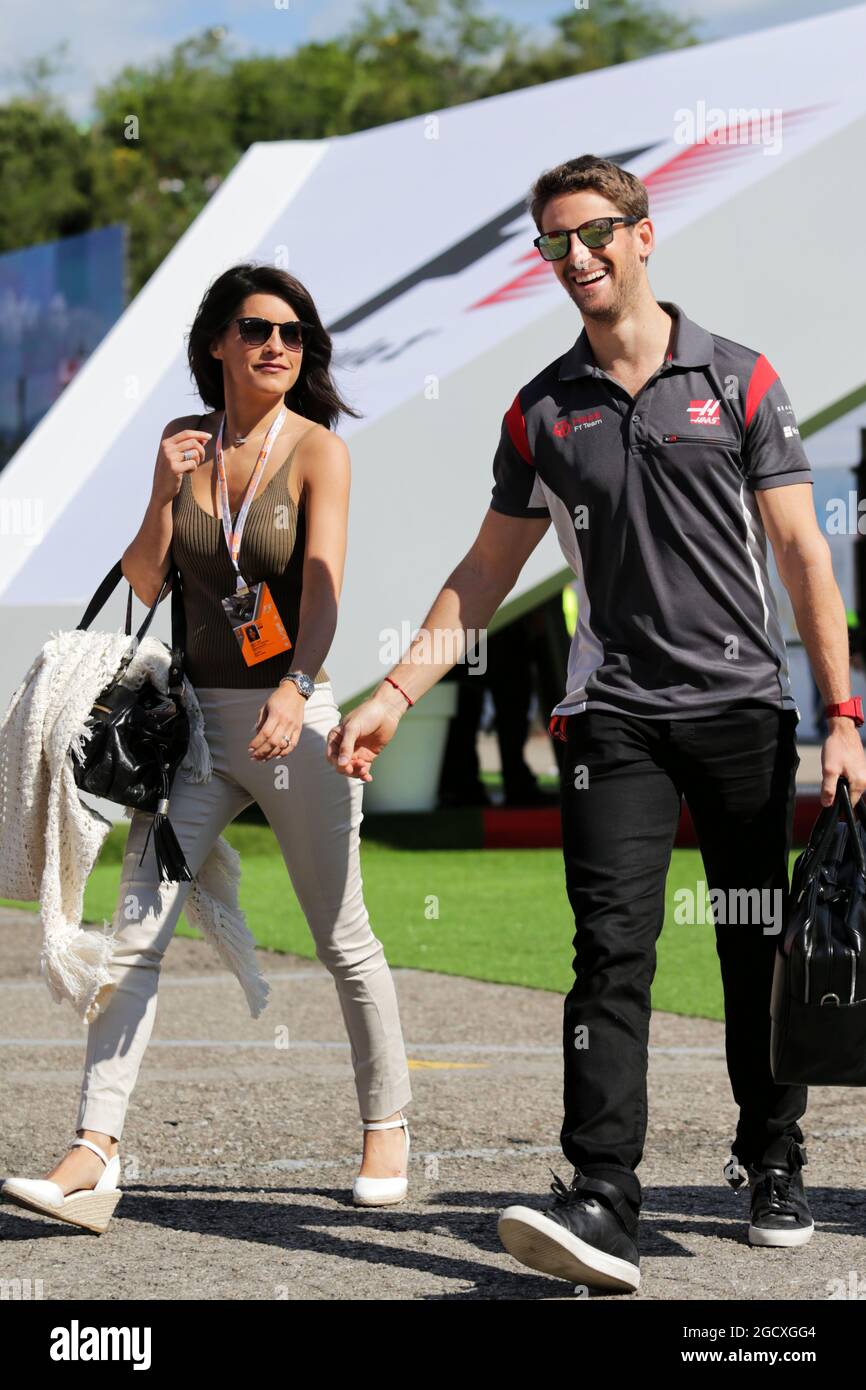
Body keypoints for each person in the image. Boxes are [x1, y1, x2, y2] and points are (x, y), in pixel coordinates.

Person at [326, 156, 866, 1292]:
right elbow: (480, 575)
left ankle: (770, 1155)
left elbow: (802, 554)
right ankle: (602, 1193)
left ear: (642, 234)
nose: (573, 258)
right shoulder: (540, 410)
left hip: (741, 715)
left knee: (749, 943)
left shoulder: (740, 377)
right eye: (552, 243)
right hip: (610, 719)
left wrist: (844, 713)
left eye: (591, 234)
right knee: (609, 951)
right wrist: (390, 696)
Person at [1, 263, 412, 1232]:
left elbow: (322, 593)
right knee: (136, 935)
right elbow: (144, 579)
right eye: (257, 328)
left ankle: (385, 1122)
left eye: (295, 333)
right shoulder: (184, 449)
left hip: (287, 726)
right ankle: (93, 1149)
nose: (277, 345)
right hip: (189, 739)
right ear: (217, 343)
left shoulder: (318, 452)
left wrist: (294, 687)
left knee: (339, 936)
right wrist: (162, 485)